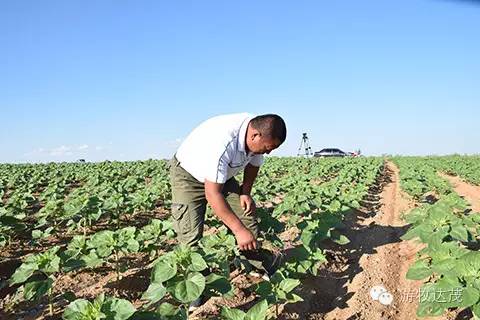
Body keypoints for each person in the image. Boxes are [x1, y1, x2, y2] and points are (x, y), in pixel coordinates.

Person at [169, 113, 286, 308]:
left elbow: (254, 165)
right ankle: (197, 295)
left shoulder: (256, 138)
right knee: (189, 236)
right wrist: (239, 232)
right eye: (268, 148)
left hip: (221, 177)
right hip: (189, 176)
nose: (269, 152)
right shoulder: (223, 143)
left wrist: (245, 193)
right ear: (255, 136)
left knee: (246, 216)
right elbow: (213, 195)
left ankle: (258, 268)